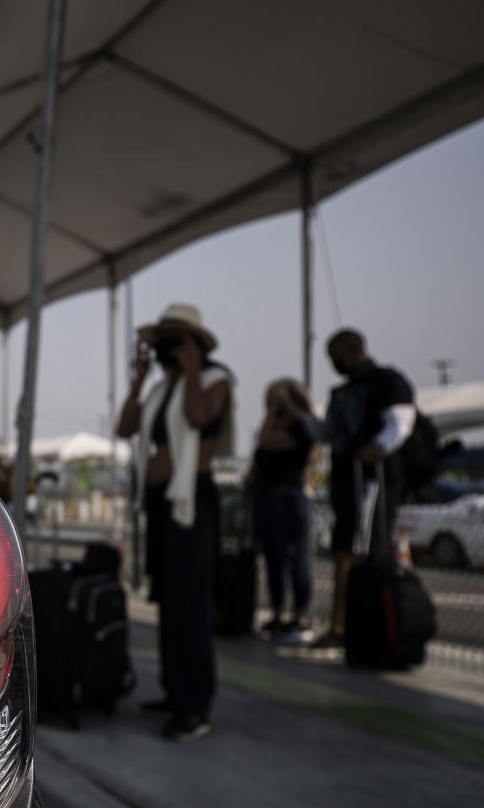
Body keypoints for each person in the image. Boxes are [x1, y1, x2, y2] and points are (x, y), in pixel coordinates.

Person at [116, 303, 233, 742]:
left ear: (195, 345)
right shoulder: (162, 389)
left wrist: (192, 369)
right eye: (163, 342)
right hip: (161, 504)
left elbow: (199, 417)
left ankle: (195, 703)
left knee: (191, 604)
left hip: (192, 502)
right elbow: (124, 427)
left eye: (174, 340)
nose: (166, 349)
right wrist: (140, 381)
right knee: (169, 599)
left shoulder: (213, 380)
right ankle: (174, 689)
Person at [311, 329, 415, 651]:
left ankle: (351, 627)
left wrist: (376, 448)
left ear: (354, 351)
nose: (333, 364)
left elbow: (401, 421)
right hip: (346, 481)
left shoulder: (386, 381)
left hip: (371, 481)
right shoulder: (342, 392)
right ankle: (346, 626)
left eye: (336, 356)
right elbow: (328, 432)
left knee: (358, 552)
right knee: (345, 549)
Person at [248, 378, 320, 642]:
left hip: (289, 496)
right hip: (265, 495)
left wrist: (281, 409)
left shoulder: (303, 428)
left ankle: (300, 615)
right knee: (272, 558)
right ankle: (278, 612)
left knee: (295, 557)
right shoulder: (270, 425)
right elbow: (261, 450)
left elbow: (269, 441)